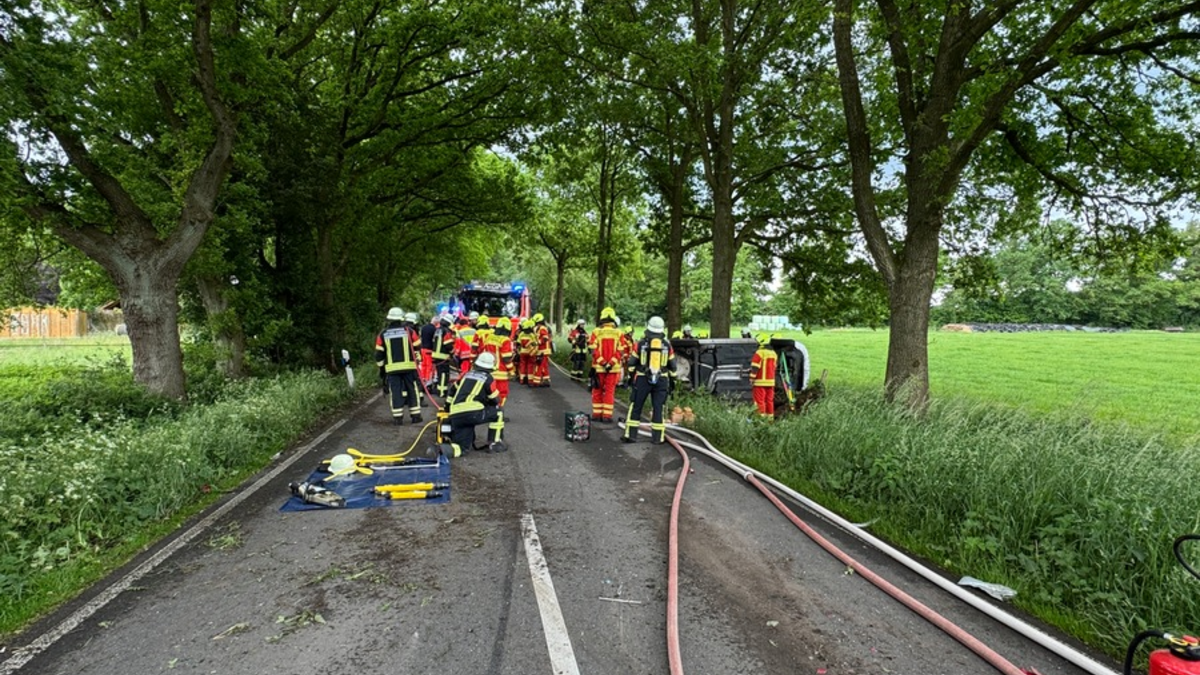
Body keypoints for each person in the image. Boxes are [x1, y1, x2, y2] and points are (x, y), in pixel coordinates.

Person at [622, 316, 676, 444]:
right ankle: (658, 438)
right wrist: (672, 381)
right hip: (661, 380)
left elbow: (631, 363)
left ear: (648, 327)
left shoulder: (640, 344)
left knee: (636, 406)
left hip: (642, 379)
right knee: (658, 408)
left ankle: (631, 435)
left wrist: (630, 378)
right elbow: (673, 366)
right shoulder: (667, 345)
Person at [445, 351, 506, 453]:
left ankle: (442, 450)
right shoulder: (488, 378)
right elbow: (495, 400)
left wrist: (447, 408)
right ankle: (495, 443)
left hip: (456, 415)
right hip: (473, 414)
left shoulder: (466, 375)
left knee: (462, 448)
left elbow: (452, 391)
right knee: (499, 412)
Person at [376, 307, 422, 425]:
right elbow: (417, 347)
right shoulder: (410, 331)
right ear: (402, 318)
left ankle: (398, 418)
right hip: (409, 368)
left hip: (392, 369)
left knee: (395, 391)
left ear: (389, 319)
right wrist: (418, 361)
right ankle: (416, 416)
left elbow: (379, 354)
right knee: (412, 389)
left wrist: (382, 369)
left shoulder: (383, 334)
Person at [587, 307, 624, 421]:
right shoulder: (619, 333)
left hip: (599, 368)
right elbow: (620, 351)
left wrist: (602, 362)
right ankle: (607, 416)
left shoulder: (596, 332)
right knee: (609, 391)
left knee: (597, 390)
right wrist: (610, 363)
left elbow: (593, 350)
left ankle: (597, 414)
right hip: (613, 369)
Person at [480, 316, 517, 405]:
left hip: (488, 371)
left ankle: (489, 413)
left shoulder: (489, 338)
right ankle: (498, 412)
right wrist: (512, 371)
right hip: (500, 373)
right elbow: (506, 359)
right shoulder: (505, 340)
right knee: (501, 394)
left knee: (489, 394)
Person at [749, 333, 778, 419]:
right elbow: (773, 367)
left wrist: (751, 377)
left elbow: (755, 367)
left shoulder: (759, 353)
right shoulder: (774, 353)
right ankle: (769, 419)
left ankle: (760, 420)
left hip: (759, 382)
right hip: (771, 382)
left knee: (759, 401)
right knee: (769, 401)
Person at [429, 314, 456, 398]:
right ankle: (442, 391)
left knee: (440, 374)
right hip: (443, 356)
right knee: (444, 374)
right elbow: (448, 344)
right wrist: (452, 351)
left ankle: (439, 390)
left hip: (435, 355)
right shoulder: (447, 331)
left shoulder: (437, 330)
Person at [531, 313, 552, 387]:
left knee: (539, 365)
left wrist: (537, 342)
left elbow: (545, 338)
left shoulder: (542, 328)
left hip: (543, 351)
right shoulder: (539, 328)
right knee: (544, 366)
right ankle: (546, 381)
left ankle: (536, 382)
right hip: (541, 351)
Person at [516, 318, 536, 385]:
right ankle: (530, 380)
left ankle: (522, 379)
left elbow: (518, 343)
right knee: (530, 365)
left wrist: (518, 350)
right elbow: (534, 343)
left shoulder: (521, 333)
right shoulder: (532, 334)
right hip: (530, 352)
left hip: (523, 352)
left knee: (522, 365)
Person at [419, 314, 437, 385]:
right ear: (436, 323)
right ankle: (428, 380)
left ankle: (422, 378)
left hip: (423, 349)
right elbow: (434, 340)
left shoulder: (423, 327)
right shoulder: (434, 329)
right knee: (430, 366)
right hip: (430, 350)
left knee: (424, 364)